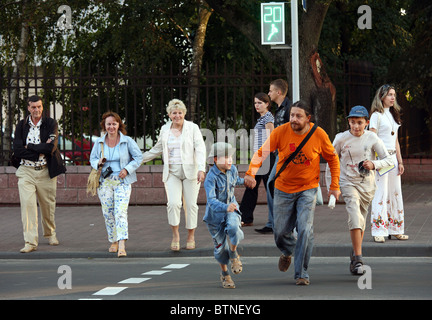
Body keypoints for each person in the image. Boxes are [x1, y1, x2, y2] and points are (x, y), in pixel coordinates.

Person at [244, 100, 341, 285]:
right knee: (280, 233)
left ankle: (301, 273)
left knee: (305, 229)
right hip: (283, 189)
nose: (294, 119)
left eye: (298, 116)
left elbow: (333, 160)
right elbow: (262, 153)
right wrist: (251, 173)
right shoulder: (280, 132)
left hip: (308, 189)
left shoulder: (318, 134)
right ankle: (289, 251)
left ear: (308, 118)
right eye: (292, 115)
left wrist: (334, 186)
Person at [326, 105, 393, 275]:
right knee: (354, 215)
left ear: (366, 123)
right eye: (353, 122)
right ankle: (358, 259)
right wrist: (332, 187)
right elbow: (331, 163)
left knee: (361, 221)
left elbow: (389, 161)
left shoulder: (373, 138)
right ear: (348, 122)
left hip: (367, 186)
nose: (356, 126)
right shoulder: (341, 139)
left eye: (360, 123)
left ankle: (355, 252)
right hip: (347, 183)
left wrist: (374, 164)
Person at [141, 99, 206, 251]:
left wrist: (201, 169)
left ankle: (191, 236)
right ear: (169, 115)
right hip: (172, 172)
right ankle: (176, 235)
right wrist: (139, 160)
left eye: (180, 112)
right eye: (174, 113)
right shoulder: (164, 129)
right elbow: (157, 149)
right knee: (173, 204)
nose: (177, 115)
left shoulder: (192, 127)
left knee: (191, 205)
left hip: (191, 172)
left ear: (184, 113)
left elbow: (200, 148)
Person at [13, 95, 66, 253]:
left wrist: (29, 146)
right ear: (28, 108)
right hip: (26, 172)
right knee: (28, 206)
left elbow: (51, 148)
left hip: (45, 171)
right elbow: (17, 150)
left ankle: (50, 233)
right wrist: (37, 151)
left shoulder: (50, 124)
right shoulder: (21, 126)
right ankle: (30, 242)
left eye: (39, 107)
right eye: (33, 107)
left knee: (47, 206)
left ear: (42, 107)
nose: (37, 110)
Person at [90, 111, 143, 257]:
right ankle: (113, 240)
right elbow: (92, 158)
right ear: (104, 126)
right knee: (108, 212)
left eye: (114, 123)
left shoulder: (127, 141)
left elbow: (138, 157)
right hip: (105, 181)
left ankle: (121, 244)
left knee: (120, 211)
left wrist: (127, 169)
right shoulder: (99, 142)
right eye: (108, 124)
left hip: (122, 181)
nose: (111, 127)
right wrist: (98, 163)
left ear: (119, 125)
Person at [203, 142, 248, 289]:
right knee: (221, 249)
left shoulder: (232, 169)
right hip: (215, 217)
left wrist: (246, 181)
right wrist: (225, 207)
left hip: (232, 209)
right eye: (226, 157)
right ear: (215, 159)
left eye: (231, 157)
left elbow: (236, 181)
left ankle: (234, 253)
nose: (230, 160)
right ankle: (225, 274)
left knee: (235, 228)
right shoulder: (211, 178)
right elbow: (211, 201)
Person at [369, 84, 408, 243]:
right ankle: (379, 230)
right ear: (382, 97)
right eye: (390, 95)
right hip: (381, 159)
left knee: (395, 193)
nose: (393, 98)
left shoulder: (393, 115)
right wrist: (376, 161)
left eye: (394, 95)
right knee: (380, 194)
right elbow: (372, 138)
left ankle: (396, 229)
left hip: (392, 158)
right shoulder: (376, 116)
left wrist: (400, 161)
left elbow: (396, 141)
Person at [255, 79, 292, 234]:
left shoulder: (289, 108)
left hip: (285, 155)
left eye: (270, 91)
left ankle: (278, 223)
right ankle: (274, 222)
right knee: (272, 186)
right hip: (279, 154)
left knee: (274, 185)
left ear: (278, 92)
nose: (268, 93)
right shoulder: (279, 110)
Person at [239, 93, 275, 226]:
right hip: (259, 156)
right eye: (255, 103)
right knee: (251, 186)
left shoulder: (268, 118)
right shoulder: (261, 118)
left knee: (270, 187)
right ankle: (245, 217)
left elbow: (270, 138)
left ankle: (278, 218)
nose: (257, 105)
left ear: (267, 104)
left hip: (265, 157)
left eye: (260, 103)